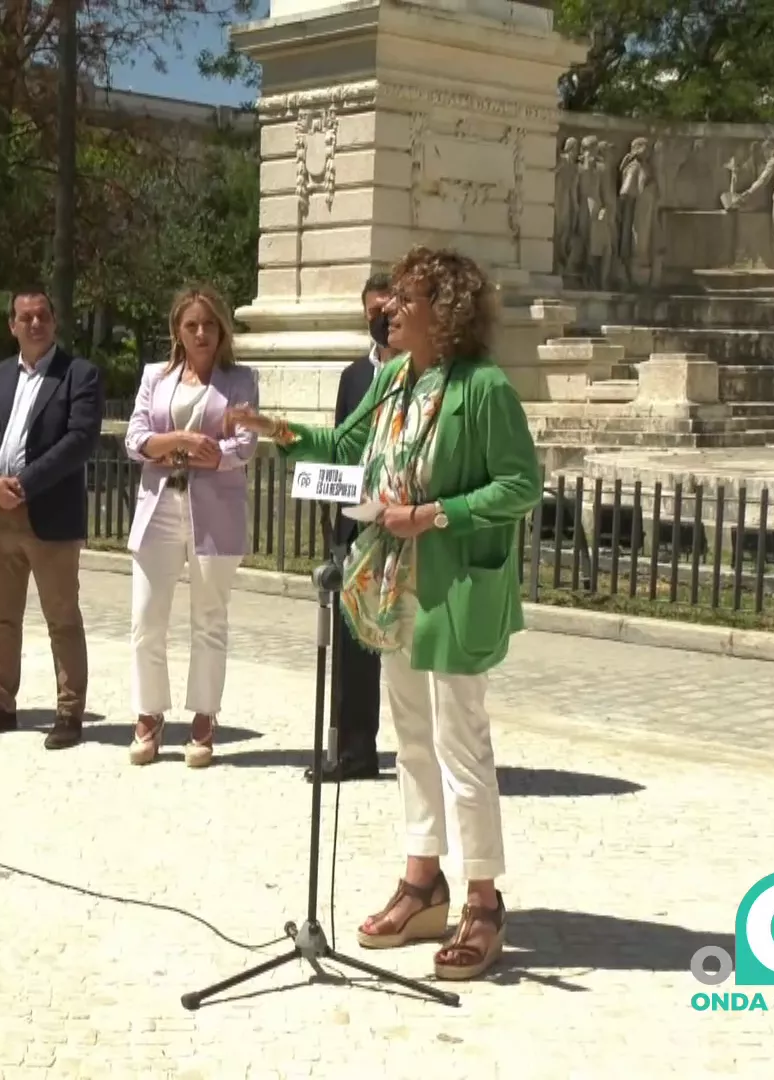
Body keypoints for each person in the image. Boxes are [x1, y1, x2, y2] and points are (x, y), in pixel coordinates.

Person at [230, 246, 541, 983]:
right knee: (410, 739)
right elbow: (344, 446)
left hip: (451, 585)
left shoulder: (483, 387)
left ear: (445, 310)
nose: (388, 309)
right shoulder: (395, 377)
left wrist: (433, 515)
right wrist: (276, 429)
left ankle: (483, 901)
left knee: (462, 743)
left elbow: (520, 484)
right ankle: (421, 878)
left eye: (404, 299)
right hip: (391, 583)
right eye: (390, 299)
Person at [119, 287, 258, 768]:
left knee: (209, 619)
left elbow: (246, 442)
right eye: (192, 324)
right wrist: (174, 440)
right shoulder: (155, 377)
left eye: (210, 325)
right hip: (159, 506)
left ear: (222, 330)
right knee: (146, 619)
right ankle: (149, 715)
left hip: (213, 510)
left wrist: (219, 455)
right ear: (178, 329)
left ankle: (203, 718)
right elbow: (135, 438)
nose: (201, 333)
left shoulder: (240, 380)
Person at [0, 290, 102, 750]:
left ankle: (69, 712)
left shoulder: (78, 374)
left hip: (49, 513)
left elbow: (81, 439)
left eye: (43, 315)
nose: (35, 323)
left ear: (55, 321)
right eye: (26, 317)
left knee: (61, 617)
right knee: (2, 617)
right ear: (12, 326)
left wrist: (24, 482)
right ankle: (1, 704)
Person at [313, 272, 396, 784]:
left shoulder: (423, 373)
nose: (382, 320)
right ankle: (353, 750)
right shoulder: (352, 377)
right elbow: (343, 448)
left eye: (390, 309)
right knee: (350, 648)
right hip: (356, 527)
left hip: (403, 524)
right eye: (373, 312)